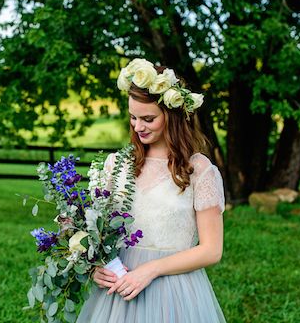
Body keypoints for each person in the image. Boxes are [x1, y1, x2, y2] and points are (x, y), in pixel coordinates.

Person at [77, 59, 226, 323]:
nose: (138, 126)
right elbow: (95, 232)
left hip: (175, 289)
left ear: (173, 116)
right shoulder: (117, 165)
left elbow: (212, 250)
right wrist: (94, 267)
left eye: (148, 119)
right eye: (133, 117)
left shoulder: (199, 170)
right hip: (120, 288)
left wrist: (151, 270)